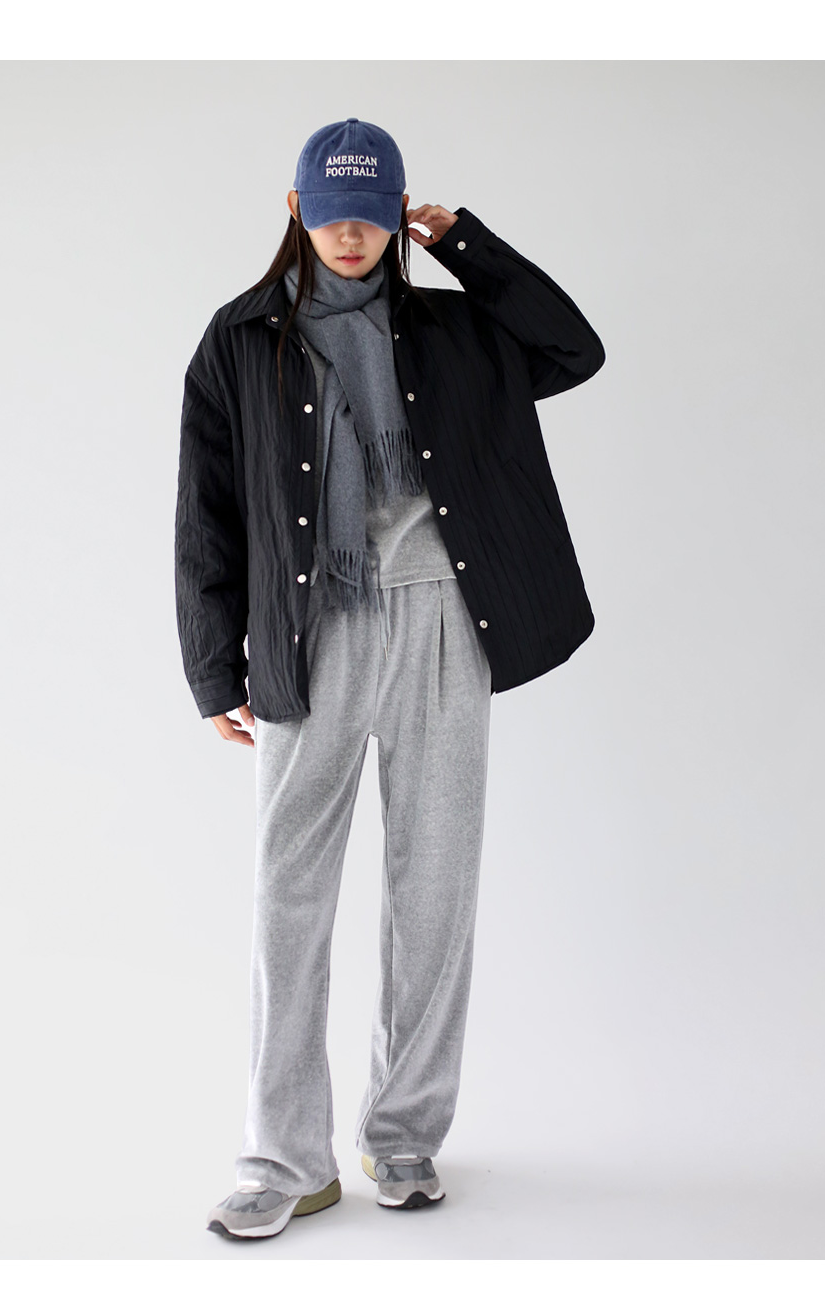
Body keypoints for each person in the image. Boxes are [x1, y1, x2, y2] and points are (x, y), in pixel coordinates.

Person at [174, 114, 605, 1238]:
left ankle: (403, 1136)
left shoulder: (459, 331)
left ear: (397, 216)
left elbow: (574, 349)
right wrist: (214, 665)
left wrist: (467, 245)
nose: (352, 234)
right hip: (306, 634)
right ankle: (284, 1160)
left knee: (434, 890)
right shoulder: (238, 340)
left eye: (371, 214)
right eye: (331, 214)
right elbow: (206, 513)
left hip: (444, 624)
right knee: (288, 899)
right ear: (296, 211)